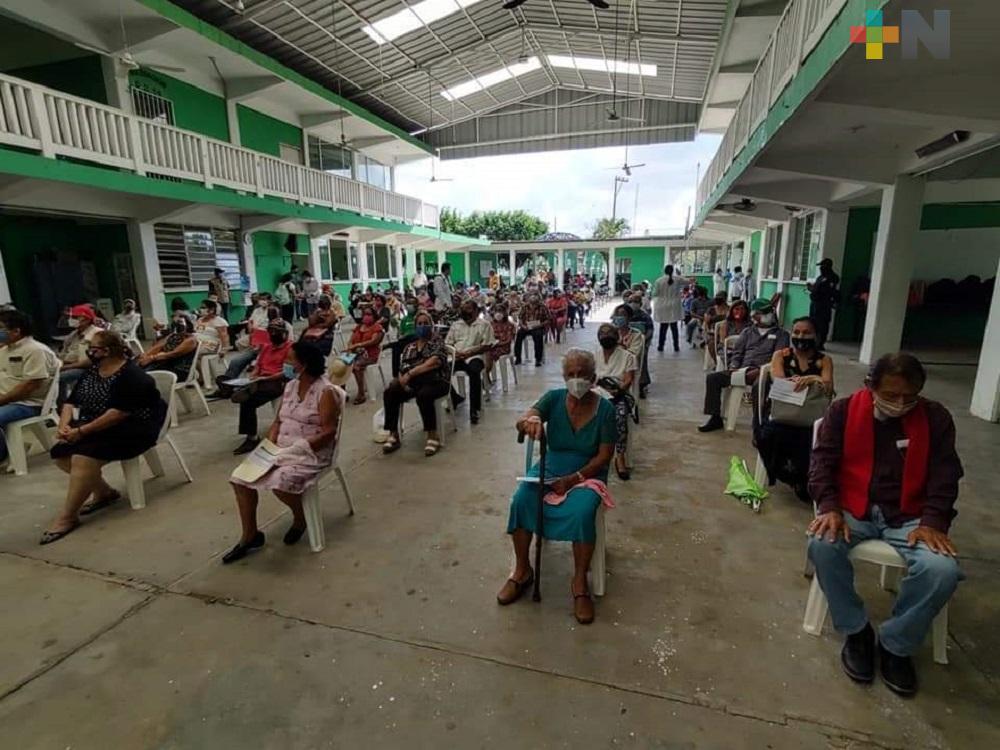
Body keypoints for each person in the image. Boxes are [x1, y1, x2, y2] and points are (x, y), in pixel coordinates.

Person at [807, 353, 962, 696]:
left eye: (911, 396)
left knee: (942, 571)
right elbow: (822, 464)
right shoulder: (844, 412)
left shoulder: (935, 419)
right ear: (870, 387)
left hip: (910, 517)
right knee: (822, 544)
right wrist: (830, 507)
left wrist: (934, 520)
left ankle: (896, 644)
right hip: (853, 507)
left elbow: (945, 476)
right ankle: (857, 630)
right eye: (891, 396)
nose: (901, 404)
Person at [498, 349, 616, 625]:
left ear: (594, 378)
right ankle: (522, 570)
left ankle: (579, 583)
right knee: (522, 499)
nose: (577, 380)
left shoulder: (606, 410)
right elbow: (526, 417)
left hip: (587, 471)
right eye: (571, 375)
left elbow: (604, 456)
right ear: (564, 377)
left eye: (582, 375)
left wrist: (574, 479)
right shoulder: (553, 399)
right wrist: (530, 421)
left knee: (583, 510)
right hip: (552, 465)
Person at [39, 330, 167, 544]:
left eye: (93, 348)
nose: (89, 351)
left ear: (107, 351)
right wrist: (64, 426)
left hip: (133, 427)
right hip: (98, 425)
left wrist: (81, 431)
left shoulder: (131, 375)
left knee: (83, 456)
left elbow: (118, 414)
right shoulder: (93, 371)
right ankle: (104, 492)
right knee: (61, 453)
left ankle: (68, 517)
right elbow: (70, 402)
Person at [224, 341, 344, 563]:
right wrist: (268, 447)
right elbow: (278, 421)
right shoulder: (290, 387)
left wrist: (297, 449)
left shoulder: (325, 391)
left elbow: (329, 432)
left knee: (280, 481)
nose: (285, 363)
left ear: (304, 365)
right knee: (240, 479)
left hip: (309, 452)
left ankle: (300, 518)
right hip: (280, 449)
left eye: (290, 360)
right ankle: (250, 535)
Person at [754, 317, 834, 501]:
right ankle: (789, 476)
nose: (800, 336)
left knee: (814, 439)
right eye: (797, 332)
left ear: (816, 335)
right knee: (767, 436)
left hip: (811, 416)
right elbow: (778, 379)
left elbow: (828, 388)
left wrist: (814, 379)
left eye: (806, 333)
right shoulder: (781, 356)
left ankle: (803, 478)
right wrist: (796, 381)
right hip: (783, 413)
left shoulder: (824, 360)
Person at [698, 298, 789, 432]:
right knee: (713, 378)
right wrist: (734, 366)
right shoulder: (747, 332)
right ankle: (715, 417)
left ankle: (759, 421)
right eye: (763, 312)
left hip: (765, 372)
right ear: (755, 316)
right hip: (743, 370)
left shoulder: (781, 335)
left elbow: (779, 358)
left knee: (759, 385)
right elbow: (737, 352)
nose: (768, 315)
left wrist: (761, 370)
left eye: (769, 312)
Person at [381, 311, 451, 457]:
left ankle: (432, 435)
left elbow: (433, 362)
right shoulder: (410, 347)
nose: (423, 326)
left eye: (426, 323)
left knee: (423, 395)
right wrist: (401, 381)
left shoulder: (437, 342)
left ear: (431, 325)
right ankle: (393, 433)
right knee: (390, 392)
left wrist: (410, 374)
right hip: (414, 383)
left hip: (437, 381)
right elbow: (402, 368)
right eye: (419, 324)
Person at [0, 309, 59, 466]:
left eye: (1, 328)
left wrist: (2, 400)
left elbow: (30, 386)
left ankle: (4, 455)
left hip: (29, 403)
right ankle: (9, 447)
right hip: (7, 399)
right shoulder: (4, 350)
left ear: (16, 331)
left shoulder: (35, 350)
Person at [227, 321, 294, 455]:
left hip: (278, 381)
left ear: (285, 334)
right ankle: (239, 388)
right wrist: (254, 374)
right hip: (261, 380)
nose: (274, 334)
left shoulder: (290, 348)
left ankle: (252, 438)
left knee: (248, 402)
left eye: (277, 332)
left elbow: (288, 373)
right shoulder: (267, 348)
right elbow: (258, 365)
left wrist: (265, 378)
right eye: (271, 332)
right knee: (247, 392)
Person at [595, 323, 637, 480]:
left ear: (617, 337)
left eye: (609, 333)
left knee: (619, 415)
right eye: (603, 334)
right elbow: (591, 377)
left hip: (619, 394)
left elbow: (628, 380)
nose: (606, 337)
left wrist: (617, 390)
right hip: (598, 393)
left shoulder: (628, 357)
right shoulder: (595, 355)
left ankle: (620, 457)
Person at [445, 300, 496, 425]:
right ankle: (455, 398)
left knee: (474, 373)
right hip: (456, 356)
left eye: (468, 309)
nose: (464, 311)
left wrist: (469, 353)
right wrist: (455, 353)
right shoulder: (456, 325)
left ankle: (474, 409)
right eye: (463, 309)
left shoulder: (484, 324)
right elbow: (447, 343)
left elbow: (487, 345)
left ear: (475, 311)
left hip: (475, 356)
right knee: (441, 370)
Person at [58, 304, 103, 401]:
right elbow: (63, 353)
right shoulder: (73, 335)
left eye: (74, 317)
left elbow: (91, 361)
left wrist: (66, 367)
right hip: (70, 365)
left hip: (89, 368)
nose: (71, 319)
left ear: (86, 319)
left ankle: (61, 406)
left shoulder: (97, 334)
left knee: (58, 378)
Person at [139, 313, 198, 381]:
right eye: (174, 322)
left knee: (143, 375)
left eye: (180, 322)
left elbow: (174, 353)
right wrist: (146, 354)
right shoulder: (173, 335)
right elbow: (159, 346)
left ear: (188, 324)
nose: (177, 324)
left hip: (178, 369)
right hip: (165, 363)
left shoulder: (191, 339)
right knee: (137, 366)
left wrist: (152, 358)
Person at [346, 307, 385, 404]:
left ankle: (361, 393)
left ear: (374, 316)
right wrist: (351, 347)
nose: (366, 317)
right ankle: (343, 392)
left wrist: (358, 345)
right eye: (365, 314)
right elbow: (351, 340)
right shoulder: (359, 327)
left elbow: (374, 341)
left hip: (370, 355)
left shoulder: (377, 327)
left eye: (369, 314)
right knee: (340, 364)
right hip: (355, 353)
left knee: (357, 366)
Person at [808, 258, 841, 348]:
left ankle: (820, 343)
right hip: (815, 304)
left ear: (827, 267)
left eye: (822, 266)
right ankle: (813, 341)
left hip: (824, 305)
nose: (821, 268)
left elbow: (830, 291)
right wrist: (811, 288)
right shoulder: (820, 277)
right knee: (813, 323)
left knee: (822, 325)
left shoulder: (833, 277)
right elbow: (817, 288)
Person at [653, 265, 684, 353]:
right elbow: (689, 281)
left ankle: (660, 346)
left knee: (663, 327)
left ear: (664, 271)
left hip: (662, 306)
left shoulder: (659, 280)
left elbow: (655, 293)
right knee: (674, 328)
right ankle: (676, 346)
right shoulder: (677, 279)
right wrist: (679, 274)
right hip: (674, 306)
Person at [514, 292, 550, 367]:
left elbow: (548, 319)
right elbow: (520, 318)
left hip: (538, 327)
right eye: (532, 296)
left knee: (537, 336)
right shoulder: (525, 306)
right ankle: (518, 357)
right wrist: (523, 326)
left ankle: (538, 359)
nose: (533, 297)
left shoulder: (543, 307)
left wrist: (539, 325)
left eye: (535, 295)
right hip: (526, 326)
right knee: (519, 335)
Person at [486, 303, 516, 386]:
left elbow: (509, 340)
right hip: (492, 346)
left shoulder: (510, 325)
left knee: (488, 354)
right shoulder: (490, 324)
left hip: (504, 347)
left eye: (500, 311)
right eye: (496, 311)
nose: (498, 314)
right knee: (483, 354)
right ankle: (486, 376)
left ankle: (486, 376)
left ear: (504, 313)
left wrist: (498, 344)